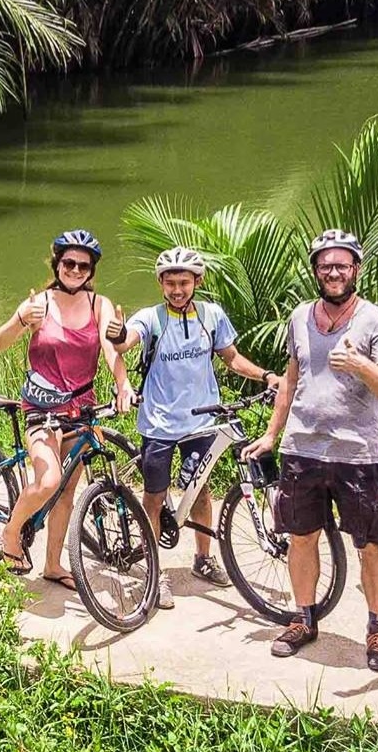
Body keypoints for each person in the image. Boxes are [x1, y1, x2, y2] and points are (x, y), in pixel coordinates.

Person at [244, 229, 378, 672]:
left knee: (372, 544)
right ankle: (303, 618)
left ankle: (376, 627)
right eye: (325, 265)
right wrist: (272, 435)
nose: (333, 272)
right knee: (301, 537)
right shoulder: (299, 317)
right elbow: (291, 380)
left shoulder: (376, 323)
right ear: (315, 271)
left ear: (356, 269)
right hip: (302, 448)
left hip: (357, 454)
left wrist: (360, 365)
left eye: (342, 265)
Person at [115, 246, 281, 609]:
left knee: (201, 491)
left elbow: (232, 358)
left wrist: (267, 376)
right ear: (160, 283)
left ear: (197, 282)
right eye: (171, 283)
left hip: (202, 418)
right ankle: (154, 573)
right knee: (155, 497)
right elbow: (127, 340)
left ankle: (203, 559)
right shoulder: (151, 318)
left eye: (184, 282)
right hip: (159, 422)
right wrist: (117, 335)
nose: (177, 289)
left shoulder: (211, 315)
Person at [0, 229, 133, 592]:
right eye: (69, 262)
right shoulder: (41, 304)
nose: (75, 270)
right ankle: (10, 533)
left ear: (91, 270)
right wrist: (21, 320)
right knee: (48, 481)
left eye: (83, 265)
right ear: (57, 263)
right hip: (42, 409)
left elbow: (111, 350)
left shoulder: (99, 304)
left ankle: (53, 564)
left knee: (65, 494)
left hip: (80, 409)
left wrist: (122, 383)